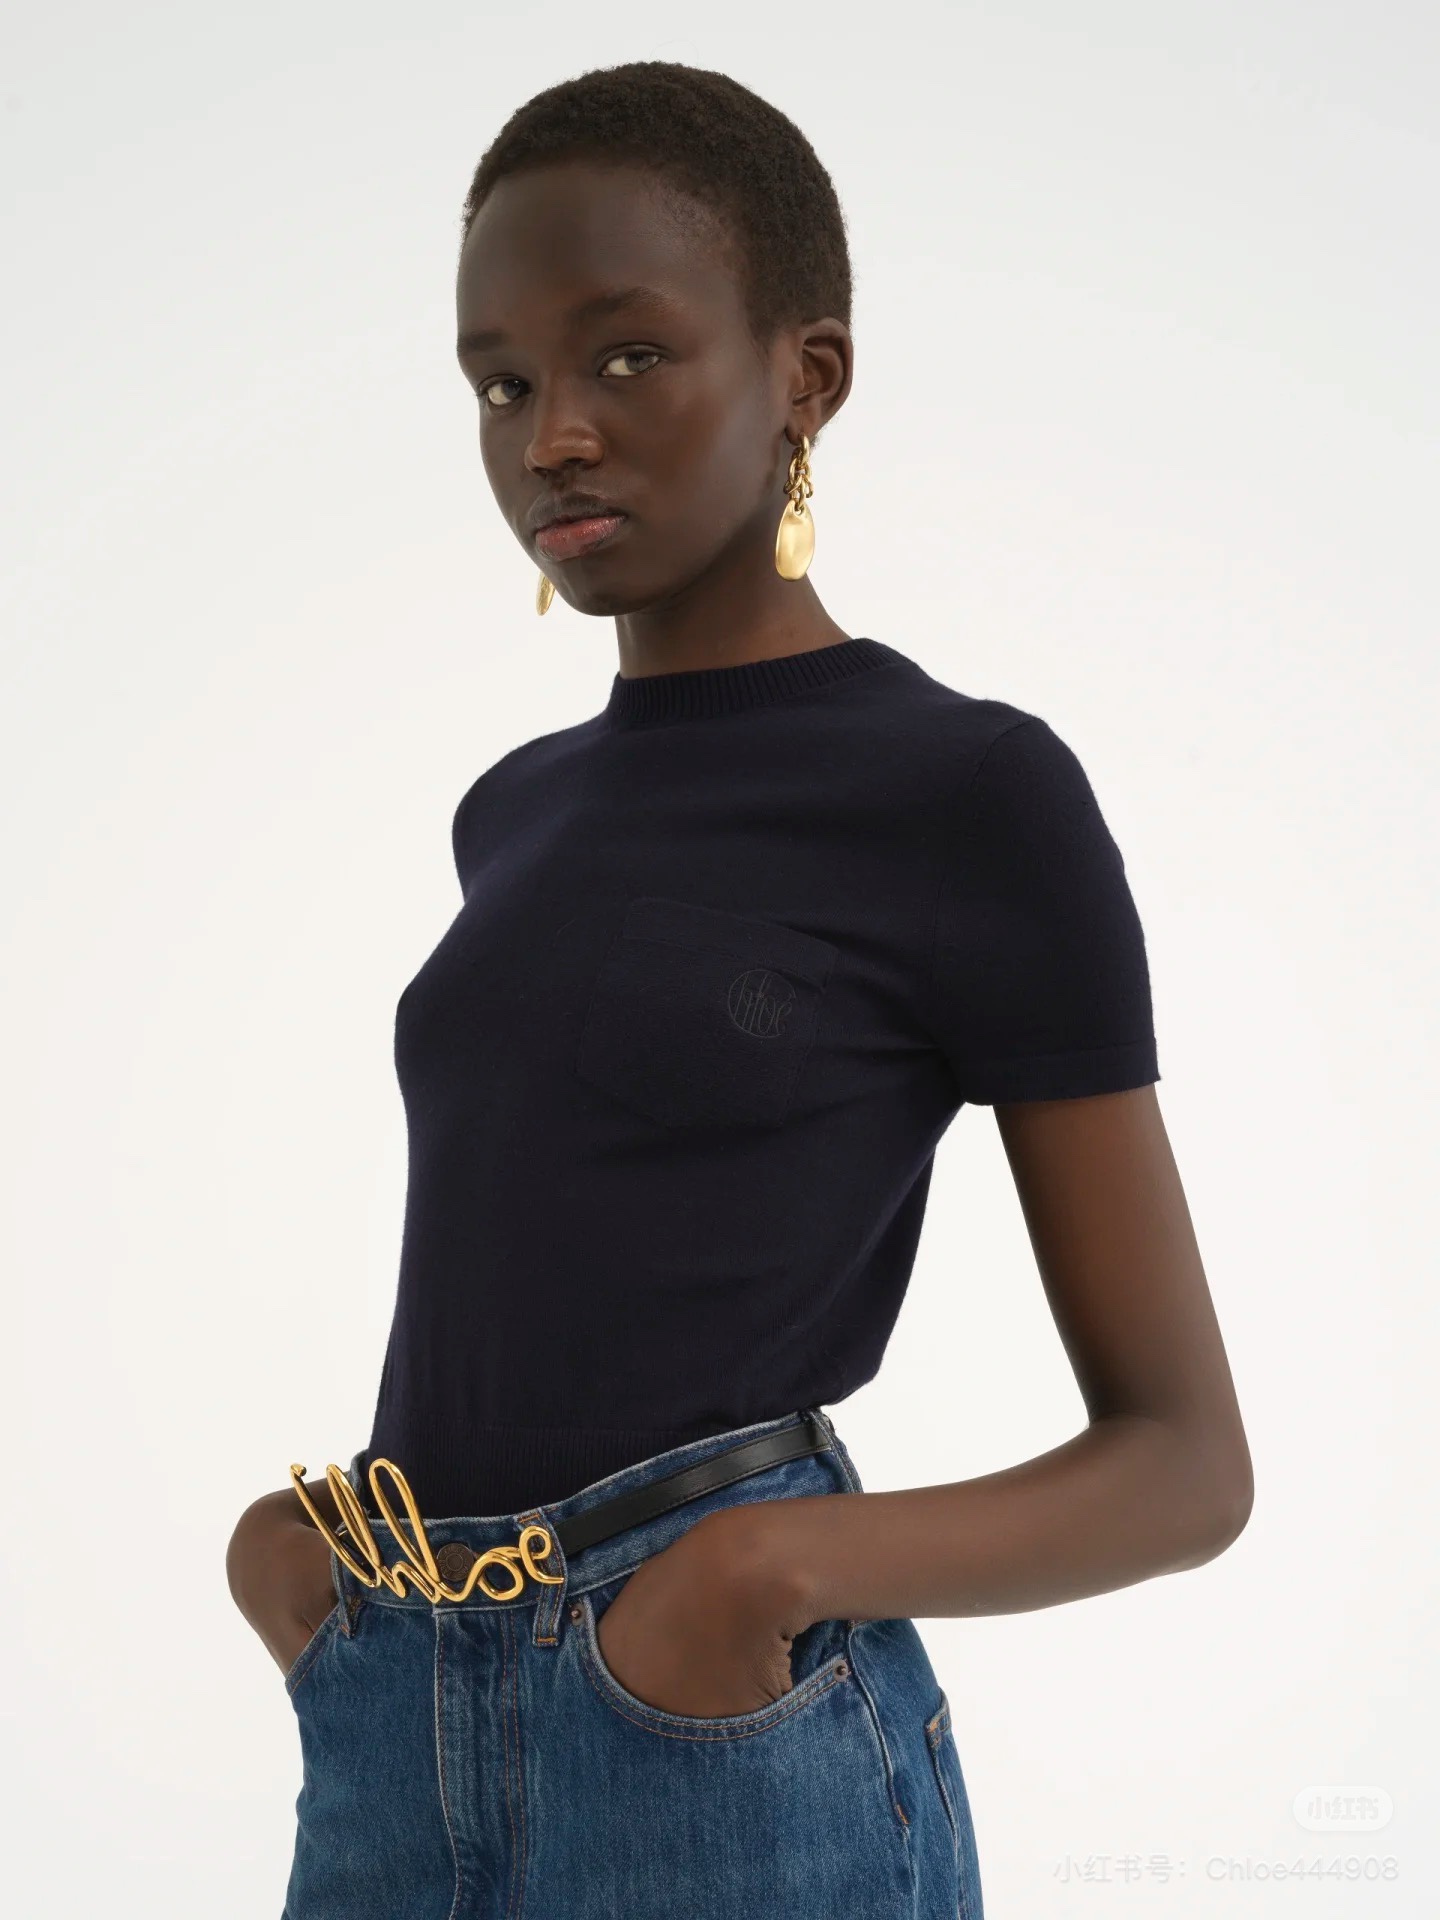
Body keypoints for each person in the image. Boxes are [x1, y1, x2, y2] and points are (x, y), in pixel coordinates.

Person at [226, 59, 1252, 1920]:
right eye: (501, 383)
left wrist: (757, 1575)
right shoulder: (514, 811)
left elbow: (1184, 1466)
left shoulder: (968, 793)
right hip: (396, 1712)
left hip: (709, 1739)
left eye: (627, 356)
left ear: (808, 376)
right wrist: (295, 1564)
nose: (552, 435)